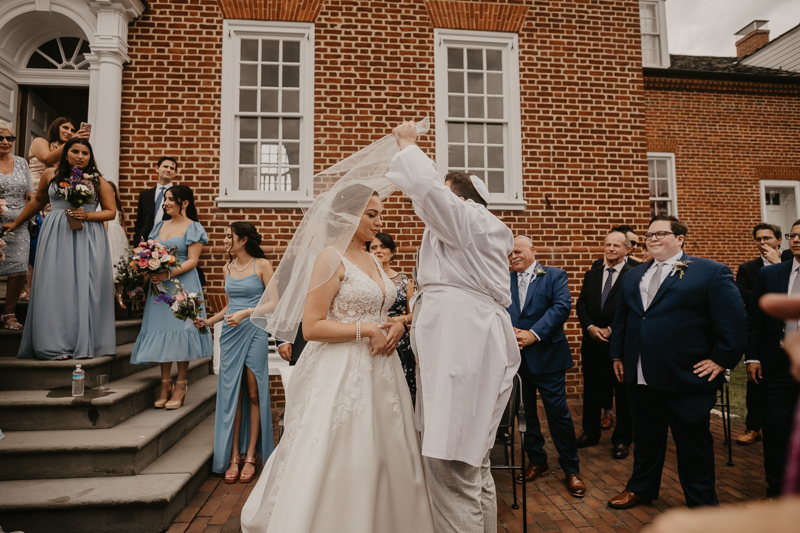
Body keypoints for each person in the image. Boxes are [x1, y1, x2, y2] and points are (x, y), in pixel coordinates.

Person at [241, 184, 436, 533]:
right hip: (342, 370)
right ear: (347, 215)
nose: (379, 221)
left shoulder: (374, 258)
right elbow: (313, 326)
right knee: (347, 454)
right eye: (371, 214)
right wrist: (367, 330)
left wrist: (396, 328)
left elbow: (382, 311)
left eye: (379, 213)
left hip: (383, 370)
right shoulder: (330, 258)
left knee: (385, 454)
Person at [385, 121, 520, 533]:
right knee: (474, 463)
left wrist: (408, 144)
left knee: (450, 463)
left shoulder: (472, 221)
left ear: (457, 197)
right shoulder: (475, 231)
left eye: (445, 193)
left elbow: (427, 190)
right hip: (468, 337)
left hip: (462, 341)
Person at [607, 214, 746, 509]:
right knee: (645, 437)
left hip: (686, 376)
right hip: (641, 374)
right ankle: (640, 488)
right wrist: (618, 354)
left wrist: (721, 359)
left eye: (660, 234)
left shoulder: (710, 272)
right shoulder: (633, 275)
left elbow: (733, 321)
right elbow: (624, 319)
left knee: (692, 443)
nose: (652, 239)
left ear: (680, 238)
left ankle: (702, 501)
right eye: (648, 235)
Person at [4, 137, 116, 359]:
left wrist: (88, 215)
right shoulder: (50, 175)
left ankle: (83, 341)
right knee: (55, 284)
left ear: (90, 157)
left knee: (85, 286)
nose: (80, 156)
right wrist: (17, 222)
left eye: (85, 153)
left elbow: (111, 211)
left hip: (88, 235)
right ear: (66, 154)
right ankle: (52, 344)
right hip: (56, 233)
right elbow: (37, 201)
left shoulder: (99, 181)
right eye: (75, 151)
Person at [194, 222, 274, 484]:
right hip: (230, 335)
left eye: (230, 236)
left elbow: (274, 301)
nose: (225, 240)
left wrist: (246, 313)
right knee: (233, 394)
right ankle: (234, 456)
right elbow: (229, 306)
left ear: (243, 241)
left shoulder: (261, 265)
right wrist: (209, 321)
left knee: (253, 392)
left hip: (254, 331)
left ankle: (251, 455)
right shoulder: (227, 267)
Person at [507, 235, 586, 497]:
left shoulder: (554, 275)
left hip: (548, 356)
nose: (513, 256)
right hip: (517, 358)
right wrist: (511, 334)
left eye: (517, 251)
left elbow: (562, 306)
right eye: (509, 253)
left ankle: (571, 469)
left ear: (533, 250)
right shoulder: (503, 279)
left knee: (558, 414)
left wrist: (533, 334)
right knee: (525, 413)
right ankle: (537, 461)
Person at [130, 185, 212, 408]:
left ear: (184, 203)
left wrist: (167, 272)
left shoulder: (193, 227)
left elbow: (193, 261)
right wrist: (146, 267)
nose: (165, 203)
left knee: (180, 332)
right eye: (164, 199)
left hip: (183, 285)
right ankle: (165, 383)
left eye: (170, 200)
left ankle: (181, 384)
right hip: (159, 288)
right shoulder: (159, 225)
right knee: (161, 331)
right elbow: (147, 250)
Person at [744, 220, 800, 497]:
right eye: (794, 235)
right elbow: (754, 320)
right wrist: (753, 357)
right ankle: (777, 489)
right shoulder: (772, 275)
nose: (797, 239)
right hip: (778, 363)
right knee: (776, 426)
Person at [575, 230, 634, 459]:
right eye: (607, 244)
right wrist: (590, 327)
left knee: (622, 393)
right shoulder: (592, 274)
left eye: (616, 245)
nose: (610, 249)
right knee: (591, 390)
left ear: (627, 249)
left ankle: (622, 439)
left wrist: (610, 329)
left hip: (618, 343)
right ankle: (590, 433)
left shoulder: (633, 275)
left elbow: (632, 310)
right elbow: (581, 305)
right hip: (592, 343)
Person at [27, 117, 88, 295]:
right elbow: (46, 159)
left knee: (54, 247)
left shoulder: (71, 152)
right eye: (65, 127)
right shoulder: (40, 142)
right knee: (34, 244)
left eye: (73, 129)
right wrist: (72, 141)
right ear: (56, 127)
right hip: (35, 198)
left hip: (57, 202)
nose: (69, 132)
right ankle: (31, 289)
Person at [736, 223, 784, 445]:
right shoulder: (748, 268)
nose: (762, 243)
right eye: (758, 239)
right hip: (762, 332)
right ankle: (754, 427)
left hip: (789, 335)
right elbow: (741, 293)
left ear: (779, 240)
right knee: (756, 382)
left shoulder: (791, 263)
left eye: (767, 238)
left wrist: (778, 266)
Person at [367, 232, 416, 401]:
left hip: (399, 340)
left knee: (399, 389)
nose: (378, 250)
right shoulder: (363, 279)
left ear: (393, 252)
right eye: (373, 247)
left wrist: (401, 320)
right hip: (371, 336)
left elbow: (415, 313)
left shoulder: (404, 281)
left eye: (383, 246)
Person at [0, 121, 33, 330]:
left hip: (19, 223)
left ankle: (9, 314)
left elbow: (29, 192)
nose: (5, 142)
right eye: (0, 138)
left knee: (20, 265)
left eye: (9, 138)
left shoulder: (21, 162)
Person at [132, 156, 176, 244]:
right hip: (145, 242)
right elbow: (140, 222)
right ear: (157, 168)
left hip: (169, 241)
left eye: (172, 168)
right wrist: (138, 239)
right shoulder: (145, 195)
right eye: (165, 166)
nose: (168, 170)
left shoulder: (179, 195)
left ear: (175, 173)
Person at [106, 181, 130, 306]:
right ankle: (108, 295)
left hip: (119, 239)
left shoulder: (119, 208)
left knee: (119, 265)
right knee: (110, 263)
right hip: (108, 237)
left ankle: (119, 294)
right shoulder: (103, 207)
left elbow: (123, 225)